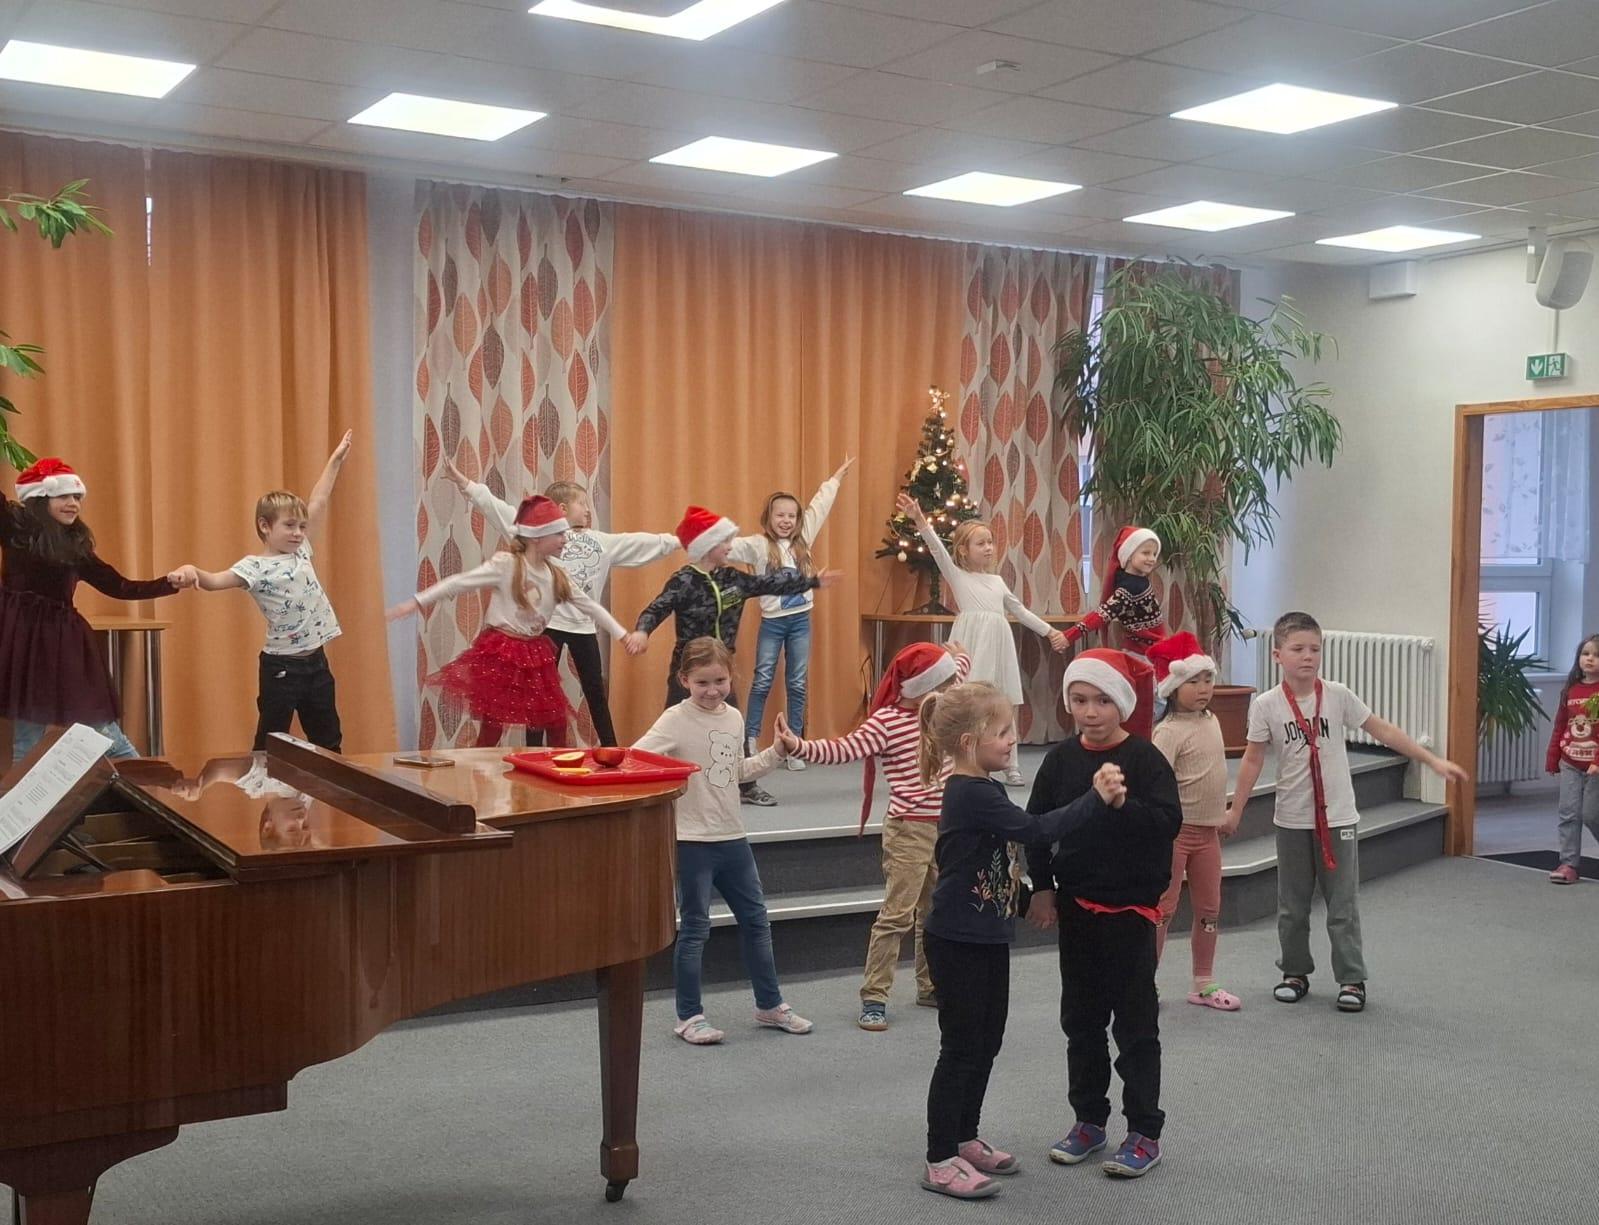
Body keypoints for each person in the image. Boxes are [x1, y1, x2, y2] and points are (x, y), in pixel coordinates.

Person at [916, 680, 1111, 1200]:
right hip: (956, 940)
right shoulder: (970, 793)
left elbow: (995, 864)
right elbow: (1037, 831)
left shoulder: (988, 788)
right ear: (968, 743)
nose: (1012, 740)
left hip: (986, 936)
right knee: (961, 1047)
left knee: (987, 1041)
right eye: (1002, 732)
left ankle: (965, 1136)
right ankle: (940, 1157)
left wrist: (1028, 902)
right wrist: (1095, 799)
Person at [1230, 611, 1469, 1013]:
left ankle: (1351, 978)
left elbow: (1382, 730)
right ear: (1277, 655)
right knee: (1292, 905)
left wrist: (1431, 760)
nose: (1308, 656)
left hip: (1338, 817)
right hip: (1292, 819)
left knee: (1342, 905)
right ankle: (1294, 971)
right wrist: (1236, 810)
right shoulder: (1267, 705)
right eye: (1297, 649)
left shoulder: (1337, 695)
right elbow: (1252, 760)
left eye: (1315, 649)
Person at [1023, 649, 1182, 1179]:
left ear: (1122, 704)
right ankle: (1089, 1121)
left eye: (1102, 701)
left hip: (1131, 912)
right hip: (1077, 909)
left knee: (1135, 1025)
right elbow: (1037, 827)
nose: (1090, 711)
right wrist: (1042, 888)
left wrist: (1120, 805)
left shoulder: (1145, 760)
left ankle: (1144, 1131)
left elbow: (1167, 824)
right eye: (1079, 700)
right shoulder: (1060, 761)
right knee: (1081, 1021)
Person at [773, 641, 970, 1030]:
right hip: (909, 830)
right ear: (922, 687)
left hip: (946, 827)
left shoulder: (942, 706)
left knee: (935, 912)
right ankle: (875, 996)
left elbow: (958, 671)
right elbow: (844, 749)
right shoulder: (888, 722)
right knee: (897, 915)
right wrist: (798, 746)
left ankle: (930, 985)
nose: (952, 690)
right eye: (944, 684)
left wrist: (960, 655)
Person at [634, 637, 812, 1045]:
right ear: (684, 680)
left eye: (720, 681)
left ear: (732, 677)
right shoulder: (674, 720)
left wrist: (776, 752)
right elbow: (637, 757)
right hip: (692, 841)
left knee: (757, 921)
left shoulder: (733, 717)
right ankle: (689, 1016)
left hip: (733, 837)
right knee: (695, 928)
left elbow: (736, 771)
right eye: (702, 682)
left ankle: (770, 1004)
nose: (712, 690)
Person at [443, 461, 679, 746]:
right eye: (583, 504)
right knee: (537, 694)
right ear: (562, 508)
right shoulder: (538, 537)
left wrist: (680, 540)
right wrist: (465, 484)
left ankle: (611, 748)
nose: (588, 510)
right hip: (549, 628)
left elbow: (641, 543)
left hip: (583, 628)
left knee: (595, 689)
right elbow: (497, 509)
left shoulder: (601, 542)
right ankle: (534, 751)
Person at [622, 505, 840, 806]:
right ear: (707, 546)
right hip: (689, 668)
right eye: (724, 541)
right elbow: (656, 608)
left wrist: (811, 582)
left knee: (732, 723)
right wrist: (642, 631)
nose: (730, 547)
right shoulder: (683, 581)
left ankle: (747, 786)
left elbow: (768, 583)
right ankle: (655, 781)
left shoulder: (733, 579)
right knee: (672, 723)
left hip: (721, 667)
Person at [386, 495, 634, 747]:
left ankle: (555, 767)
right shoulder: (507, 566)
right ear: (537, 537)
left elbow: (589, 606)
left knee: (555, 720)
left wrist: (622, 634)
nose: (565, 539)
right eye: (559, 534)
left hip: (534, 653)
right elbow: (460, 582)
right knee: (493, 725)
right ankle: (479, 765)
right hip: (502, 652)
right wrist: (417, 601)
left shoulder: (557, 575)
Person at [171, 432, 353, 752]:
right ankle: (262, 783)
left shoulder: (302, 552)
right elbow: (215, 581)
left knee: (328, 740)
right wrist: (192, 571)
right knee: (271, 741)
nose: (298, 533)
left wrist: (335, 461)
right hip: (281, 667)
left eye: (301, 527)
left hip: (317, 663)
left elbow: (319, 500)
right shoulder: (254, 567)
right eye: (289, 526)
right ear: (265, 526)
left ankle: (329, 784)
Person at [0, 457, 185, 763]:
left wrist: (168, 583)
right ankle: (24, 796)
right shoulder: (15, 528)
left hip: (61, 644)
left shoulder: (77, 549)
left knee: (104, 731)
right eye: (63, 496)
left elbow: (121, 586)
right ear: (41, 498)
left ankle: (147, 784)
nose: (73, 504)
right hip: (22, 644)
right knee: (26, 739)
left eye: (77, 497)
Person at [896, 492, 1066, 787]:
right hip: (973, 642)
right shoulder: (957, 575)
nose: (988, 548)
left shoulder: (997, 582)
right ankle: (960, 761)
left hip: (998, 645)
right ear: (963, 550)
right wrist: (920, 520)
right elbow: (937, 550)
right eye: (981, 543)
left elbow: (1019, 610)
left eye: (990, 542)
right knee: (969, 700)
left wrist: (1049, 631)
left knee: (1004, 699)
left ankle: (1011, 764)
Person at [730, 457, 854, 774]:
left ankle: (795, 744)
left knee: (797, 683)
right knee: (763, 679)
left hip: (800, 622)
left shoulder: (803, 539)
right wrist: (707, 540)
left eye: (791, 515)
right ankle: (750, 740)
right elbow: (729, 547)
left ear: (798, 520)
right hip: (772, 624)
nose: (786, 520)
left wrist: (835, 479)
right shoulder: (758, 545)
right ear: (768, 517)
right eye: (780, 515)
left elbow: (820, 506)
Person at [1147, 632, 1240, 1011]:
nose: (1203, 688)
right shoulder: (1168, 732)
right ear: (1173, 688)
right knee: (1163, 910)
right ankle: (1144, 983)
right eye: (1193, 681)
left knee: (1210, 909)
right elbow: (1153, 784)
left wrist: (1224, 814)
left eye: (1207, 679)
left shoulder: (1212, 720)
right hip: (1175, 836)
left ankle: (1203, 981)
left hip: (1208, 835)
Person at [1063, 526, 1166, 738]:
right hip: (1142, 656)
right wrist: (1070, 635)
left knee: (1158, 700)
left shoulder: (1137, 581)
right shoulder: (1128, 589)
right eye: (1145, 553)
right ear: (1129, 555)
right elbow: (1103, 614)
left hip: (1151, 652)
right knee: (1154, 702)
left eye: (1154, 554)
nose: (1151, 558)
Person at [1544, 631, 1599, 884]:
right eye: (1585, 654)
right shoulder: (1571, 690)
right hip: (1570, 762)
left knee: (1591, 815)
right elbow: (1560, 725)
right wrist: (1553, 757)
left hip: (1595, 766)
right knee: (1568, 813)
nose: (1590, 659)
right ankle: (1568, 864)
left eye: (1596, 655)